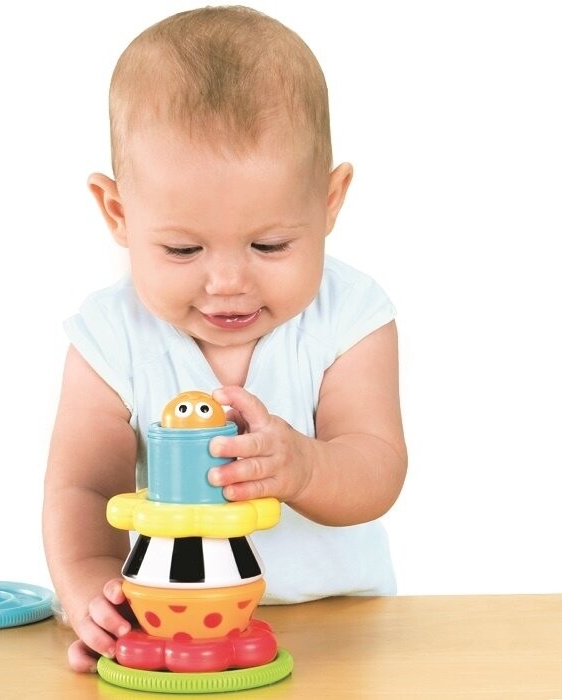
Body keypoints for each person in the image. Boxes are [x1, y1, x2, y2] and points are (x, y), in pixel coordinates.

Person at [43, 5, 407, 673]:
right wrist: (93, 589)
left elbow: (377, 467)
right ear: (118, 212)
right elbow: (84, 490)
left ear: (329, 202)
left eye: (270, 245)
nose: (229, 283)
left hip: (339, 628)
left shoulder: (350, 316)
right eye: (183, 249)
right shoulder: (110, 336)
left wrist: (305, 466)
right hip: (177, 630)